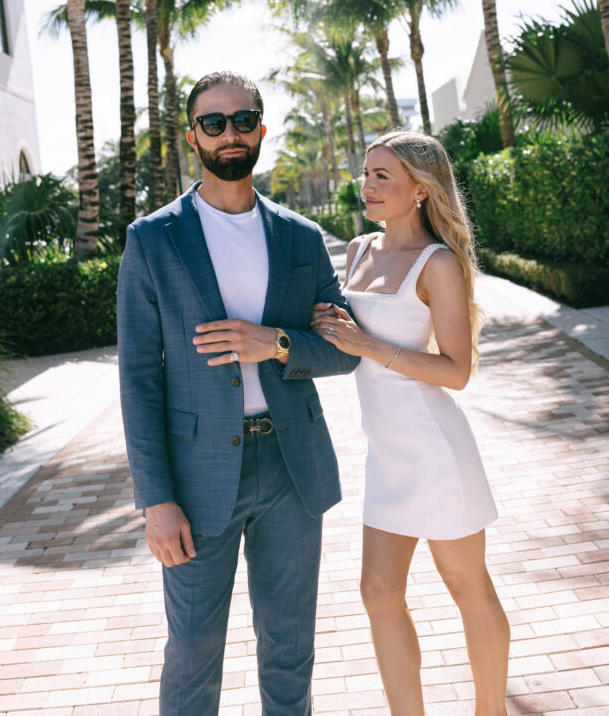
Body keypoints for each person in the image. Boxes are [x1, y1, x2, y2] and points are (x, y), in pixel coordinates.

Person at [117, 71, 358, 716]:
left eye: (243, 119)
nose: (231, 133)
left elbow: (344, 349)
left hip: (290, 465)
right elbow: (138, 376)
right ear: (192, 135)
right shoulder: (152, 239)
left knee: (289, 646)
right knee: (193, 648)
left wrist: (275, 342)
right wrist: (155, 499)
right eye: (215, 122)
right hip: (196, 478)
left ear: (262, 127)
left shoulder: (301, 239)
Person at [311, 130, 510, 716]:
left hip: (434, 452)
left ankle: (489, 711)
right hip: (386, 454)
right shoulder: (357, 251)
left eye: (382, 176)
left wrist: (366, 343)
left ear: (421, 190)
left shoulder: (438, 263)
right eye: (366, 173)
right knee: (377, 592)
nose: (366, 186)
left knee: (468, 589)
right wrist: (329, 324)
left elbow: (456, 372)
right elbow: (350, 340)